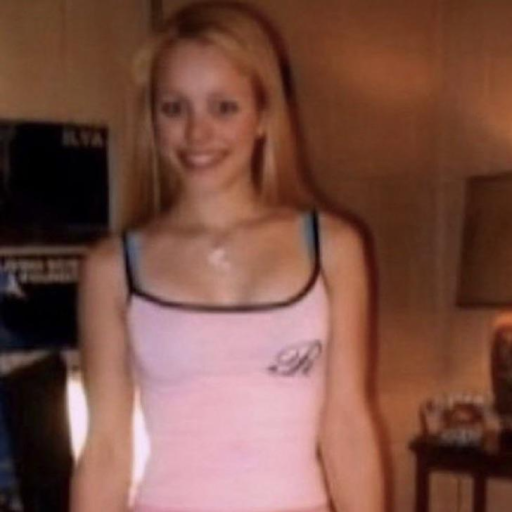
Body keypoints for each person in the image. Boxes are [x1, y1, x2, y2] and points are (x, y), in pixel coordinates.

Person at [70, 2, 384, 512]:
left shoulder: (334, 248)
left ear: (263, 116)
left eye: (224, 107)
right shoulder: (110, 268)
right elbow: (106, 452)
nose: (197, 133)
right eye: (174, 108)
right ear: (153, 121)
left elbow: (347, 427)